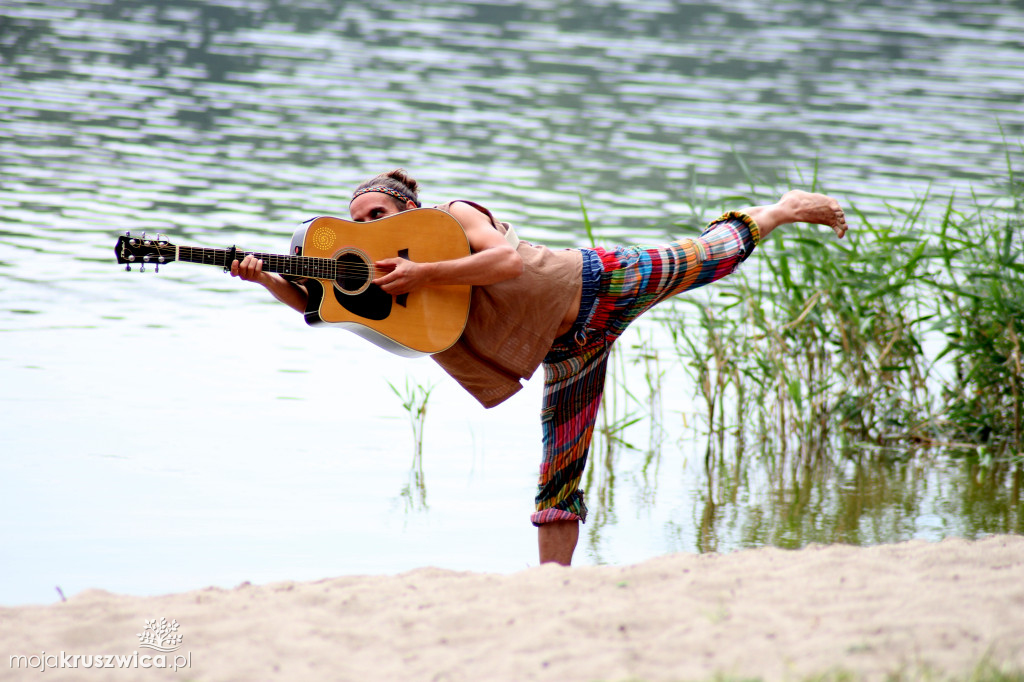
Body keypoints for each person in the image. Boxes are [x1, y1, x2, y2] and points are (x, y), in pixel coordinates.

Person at [231, 169, 849, 566]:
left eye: (378, 215)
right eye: (358, 220)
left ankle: (780, 209)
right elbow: (319, 307)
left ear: (409, 212)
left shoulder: (453, 218)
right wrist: (266, 281)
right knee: (559, 469)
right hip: (569, 350)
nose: (367, 225)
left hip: (600, 284)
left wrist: (425, 271)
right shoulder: (383, 285)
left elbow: (504, 264)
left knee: (711, 257)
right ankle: (552, 587)